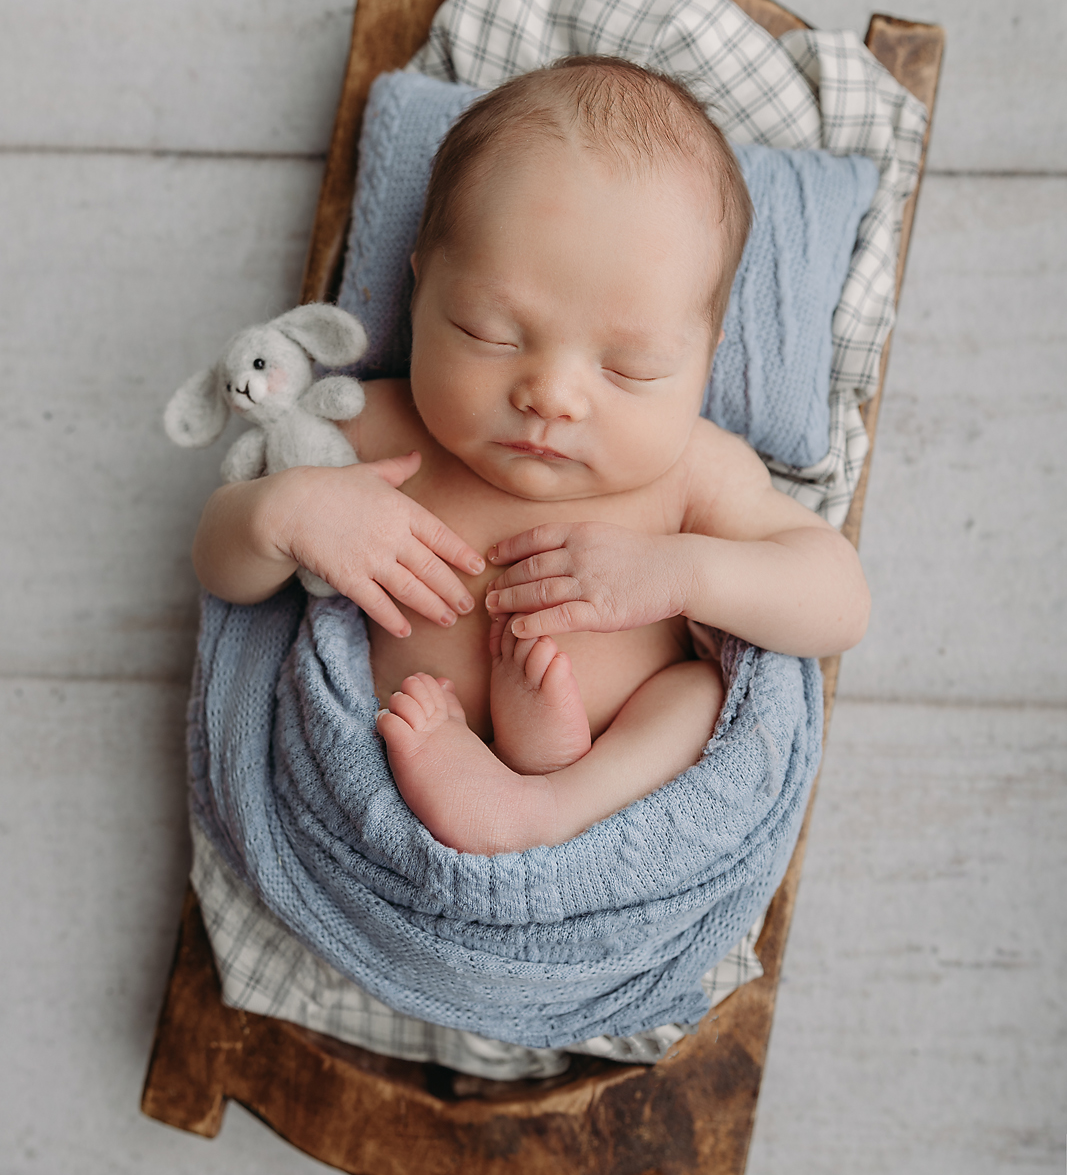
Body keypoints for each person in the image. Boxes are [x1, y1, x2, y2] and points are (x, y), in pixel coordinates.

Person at [192, 58, 869, 856]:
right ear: (421, 292)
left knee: (695, 693)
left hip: (599, 788)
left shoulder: (690, 473)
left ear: (705, 361)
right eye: (489, 332)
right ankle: (495, 770)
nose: (550, 395)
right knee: (395, 698)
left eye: (631, 368)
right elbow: (221, 570)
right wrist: (286, 515)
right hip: (395, 767)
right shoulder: (381, 428)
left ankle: (547, 799)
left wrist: (683, 571)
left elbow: (838, 603)